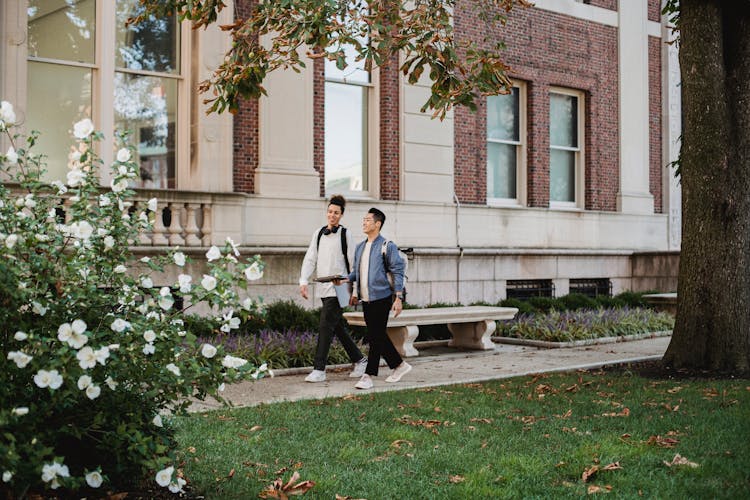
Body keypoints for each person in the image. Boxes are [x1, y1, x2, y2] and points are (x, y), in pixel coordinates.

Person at [299, 195, 367, 382]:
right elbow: (310, 258)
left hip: (339, 289)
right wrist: (303, 281)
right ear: (326, 213)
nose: (332, 215)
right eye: (330, 212)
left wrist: (354, 291)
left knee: (325, 326)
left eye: (336, 213)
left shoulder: (346, 234)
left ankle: (319, 369)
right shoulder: (319, 234)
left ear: (341, 215)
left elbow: (354, 264)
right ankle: (360, 360)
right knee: (336, 327)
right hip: (323, 288)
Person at [342, 207, 411, 390]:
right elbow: (356, 272)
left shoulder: (387, 246)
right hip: (366, 299)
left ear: (377, 224)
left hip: (382, 297)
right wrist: (347, 281)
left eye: (367, 220)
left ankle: (368, 375)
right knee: (378, 335)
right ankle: (399, 366)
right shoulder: (360, 247)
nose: (364, 223)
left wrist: (398, 298)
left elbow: (398, 271)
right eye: (363, 220)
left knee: (374, 337)